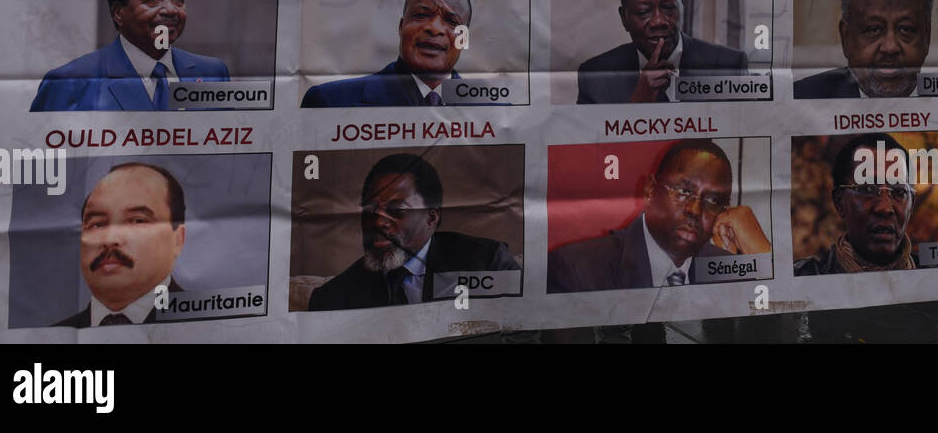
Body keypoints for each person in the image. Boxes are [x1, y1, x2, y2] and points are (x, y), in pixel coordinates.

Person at [547, 140, 769, 292]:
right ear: (650, 191)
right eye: (683, 192)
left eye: (712, 201)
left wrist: (765, 256)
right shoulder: (576, 269)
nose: (695, 210)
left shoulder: (732, 272)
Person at [308, 153, 519, 310]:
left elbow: (522, 330)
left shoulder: (487, 262)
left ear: (431, 217)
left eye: (396, 210)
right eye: (370, 210)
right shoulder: (331, 298)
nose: (379, 222)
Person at [31, 0, 230, 112]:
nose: (171, 10)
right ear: (119, 13)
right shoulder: (69, 82)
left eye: (178, 0)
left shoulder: (212, 73)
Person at [576, 0, 749, 104]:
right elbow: (590, 144)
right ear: (624, 18)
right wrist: (636, 106)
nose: (659, 21)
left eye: (668, 8)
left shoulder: (729, 65)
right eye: (644, 12)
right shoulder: (594, 76)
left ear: (682, 7)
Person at [302, 0, 472, 107]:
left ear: (463, 39)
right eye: (421, 15)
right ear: (401, 27)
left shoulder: (493, 112)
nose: (434, 28)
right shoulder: (330, 102)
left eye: (452, 21)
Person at [55, 163, 186, 327]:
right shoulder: (48, 338)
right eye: (97, 224)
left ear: (178, 240)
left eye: (137, 221)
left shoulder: (213, 329)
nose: (110, 239)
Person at [794, 0, 933, 99]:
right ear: (846, 38)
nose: (890, 47)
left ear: (927, 36)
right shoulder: (802, 98)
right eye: (874, 29)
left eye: (905, 29)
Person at [795, 133, 917, 274]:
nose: (885, 207)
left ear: (912, 204)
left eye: (899, 192)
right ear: (839, 202)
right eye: (867, 189)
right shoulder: (803, 276)